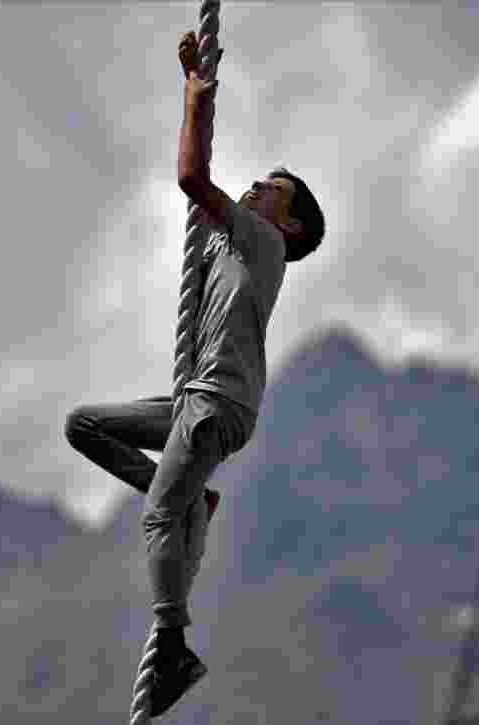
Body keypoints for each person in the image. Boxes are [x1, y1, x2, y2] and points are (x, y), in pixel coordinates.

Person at [64, 30, 325, 717]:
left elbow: (190, 178)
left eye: (273, 188)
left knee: (156, 516)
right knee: (85, 426)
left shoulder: (261, 240)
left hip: (217, 403)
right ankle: (194, 502)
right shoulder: (234, 238)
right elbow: (200, 166)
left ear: (290, 226)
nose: (258, 183)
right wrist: (195, 84)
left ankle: (173, 641)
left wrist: (190, 94)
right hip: (194, 398)